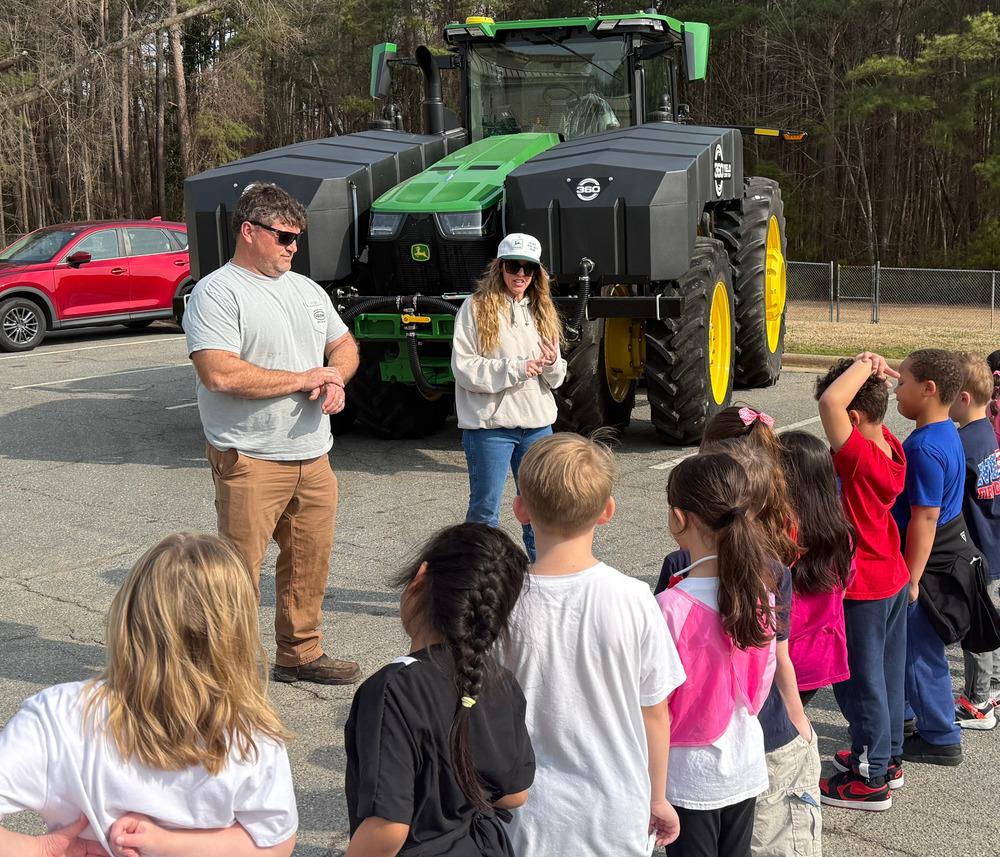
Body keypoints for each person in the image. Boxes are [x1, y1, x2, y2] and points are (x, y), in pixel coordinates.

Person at [0, 533, 297, 857]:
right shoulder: (252, 735)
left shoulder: (56, 718)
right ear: (237, 633)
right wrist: (166, 844)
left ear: (127, 614)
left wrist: (41, 850)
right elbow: (273, 844)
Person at [183, 181, 361, 685]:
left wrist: (335, 379)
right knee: (236, 573)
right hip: (250, 456)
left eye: (297, 238)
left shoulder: (307, 290)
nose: (293, 248)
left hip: (313, 453)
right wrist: (305, 377)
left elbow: (344, 345)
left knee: (310, 561)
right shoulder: (216, 292)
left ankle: (299, 653)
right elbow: (219, 373)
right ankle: (224, 670)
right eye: (284, 237)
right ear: (248, 231)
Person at [501, 433, 685, 856]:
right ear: (607, 511)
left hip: (526, 816)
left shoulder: (504, 602)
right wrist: (658, 798)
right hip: (616, 812)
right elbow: (655, 714)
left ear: (521, 510)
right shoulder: (634, 598)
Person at [656, 436, 820, 857]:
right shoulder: (761, 594)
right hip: (745, 760)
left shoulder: (668, 607)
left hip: (688, 773)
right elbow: (764, 679)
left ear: (679, 518)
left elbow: (655, 707)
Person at [343, 523, 534, 857]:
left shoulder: (392, 688)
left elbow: (388, 828)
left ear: (419, 579)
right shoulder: (501, 680)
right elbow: (516, 794)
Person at [814, 352, 908, 809]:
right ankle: (886, 756)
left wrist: (866, 364)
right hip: (890, 570)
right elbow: (847, 401)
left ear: (853, 417)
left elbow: (832, 401)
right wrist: (869, 370)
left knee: (859, 681)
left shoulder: (859, 457)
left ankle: (870, 780)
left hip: (863, 583)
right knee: (888, 674)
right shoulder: (890, 443)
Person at [451, 233, 566, 561]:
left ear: (537, 274)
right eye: (513, 266)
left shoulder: (542, 310)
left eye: (528, 269)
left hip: (537, 427)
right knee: (486, 512)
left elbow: (555, 379)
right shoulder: (474, 308)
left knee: (539, 512)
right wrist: (518, 367)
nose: (521, 274)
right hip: (491, 428)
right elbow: (464, 368)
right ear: (499, 267)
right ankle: (477, 584)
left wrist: (552, 362)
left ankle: (543, 579)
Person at [890, 348, 966, 765]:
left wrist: (912, 578)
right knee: (905, 645)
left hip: (925, 558)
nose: (895, 391)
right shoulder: (945, 429)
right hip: (944, 550)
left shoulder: (922, 449)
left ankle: (940, 736)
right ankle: (903, 716)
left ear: (929, 389)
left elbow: (925, 517)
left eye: (902, 384)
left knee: (919, 648)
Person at [779, 430, 852, 704]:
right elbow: (842, 590)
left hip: (782, 656)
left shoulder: (781, 533)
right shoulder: (841, 532)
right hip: (821, 654)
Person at [948, 353, 1000, 727]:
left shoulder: (963, 443)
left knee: (978, 628)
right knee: (992, 618)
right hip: (994, 541)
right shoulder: (987, 433)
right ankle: (993, 687)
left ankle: (978, 701)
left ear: (963, 398)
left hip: (978, 547)